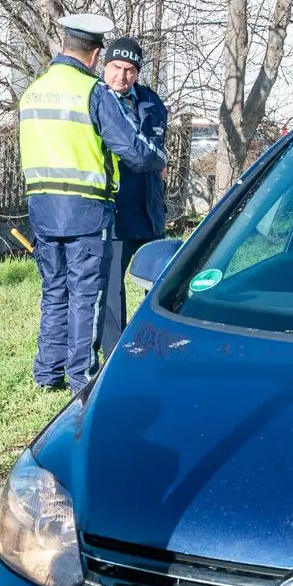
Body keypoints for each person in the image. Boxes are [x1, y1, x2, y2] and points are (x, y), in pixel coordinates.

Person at [20, 14, 166, 392]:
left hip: (42, 209)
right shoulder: (91, 92)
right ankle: (82, 378)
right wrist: (158, 159)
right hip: (86, 210)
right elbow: (134, 151)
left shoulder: (33, 91)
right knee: (88, 294)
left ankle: (46, 374)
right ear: (96, 55)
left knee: (54, 293)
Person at [99, 35, 170, 358]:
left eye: (129, 69)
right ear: (104, 65)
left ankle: (154, 345)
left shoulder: (153, 103)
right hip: (113, 209)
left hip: (148, 206)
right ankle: (114, 355)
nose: (121, 76)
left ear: (138, 72)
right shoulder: (96, 100)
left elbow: (160, 154)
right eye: (115, 67)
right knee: (111, 288)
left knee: (159, 280)